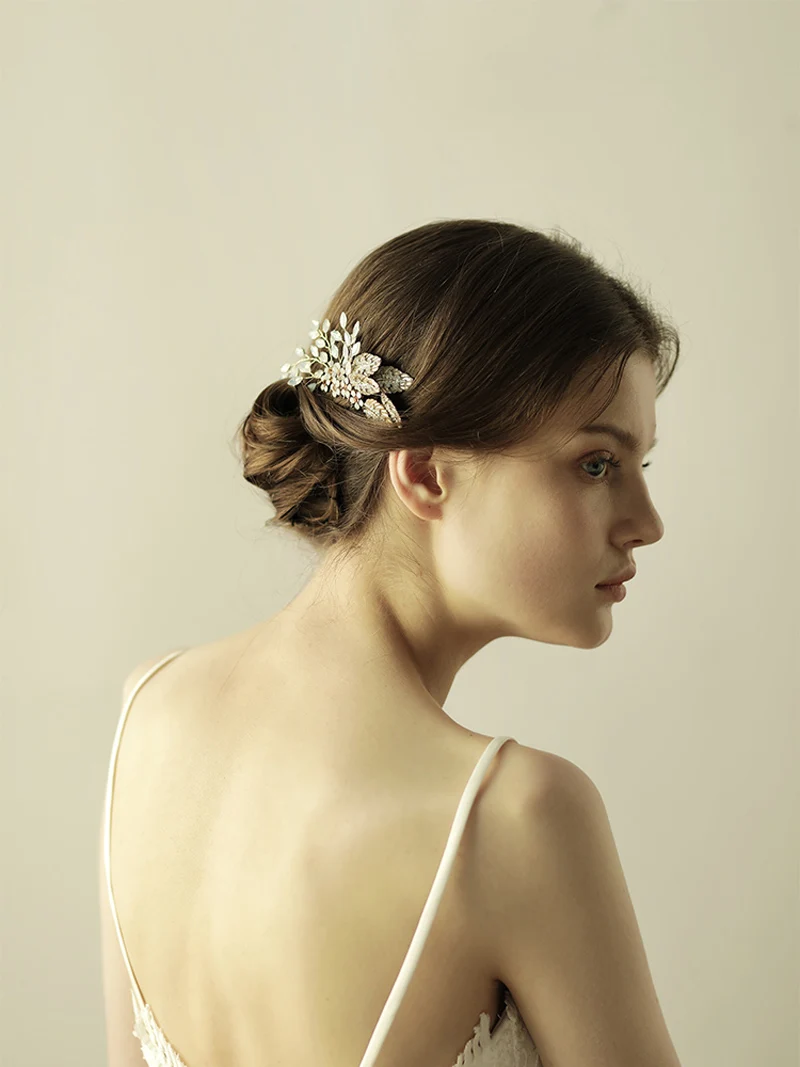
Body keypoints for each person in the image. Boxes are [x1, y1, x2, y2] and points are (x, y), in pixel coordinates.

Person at [99, 218, 683, 1067]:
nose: (646, 523)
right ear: (425, 472)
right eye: (597, 464)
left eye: (641, 467)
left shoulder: (149, 710)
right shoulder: (515, 816)